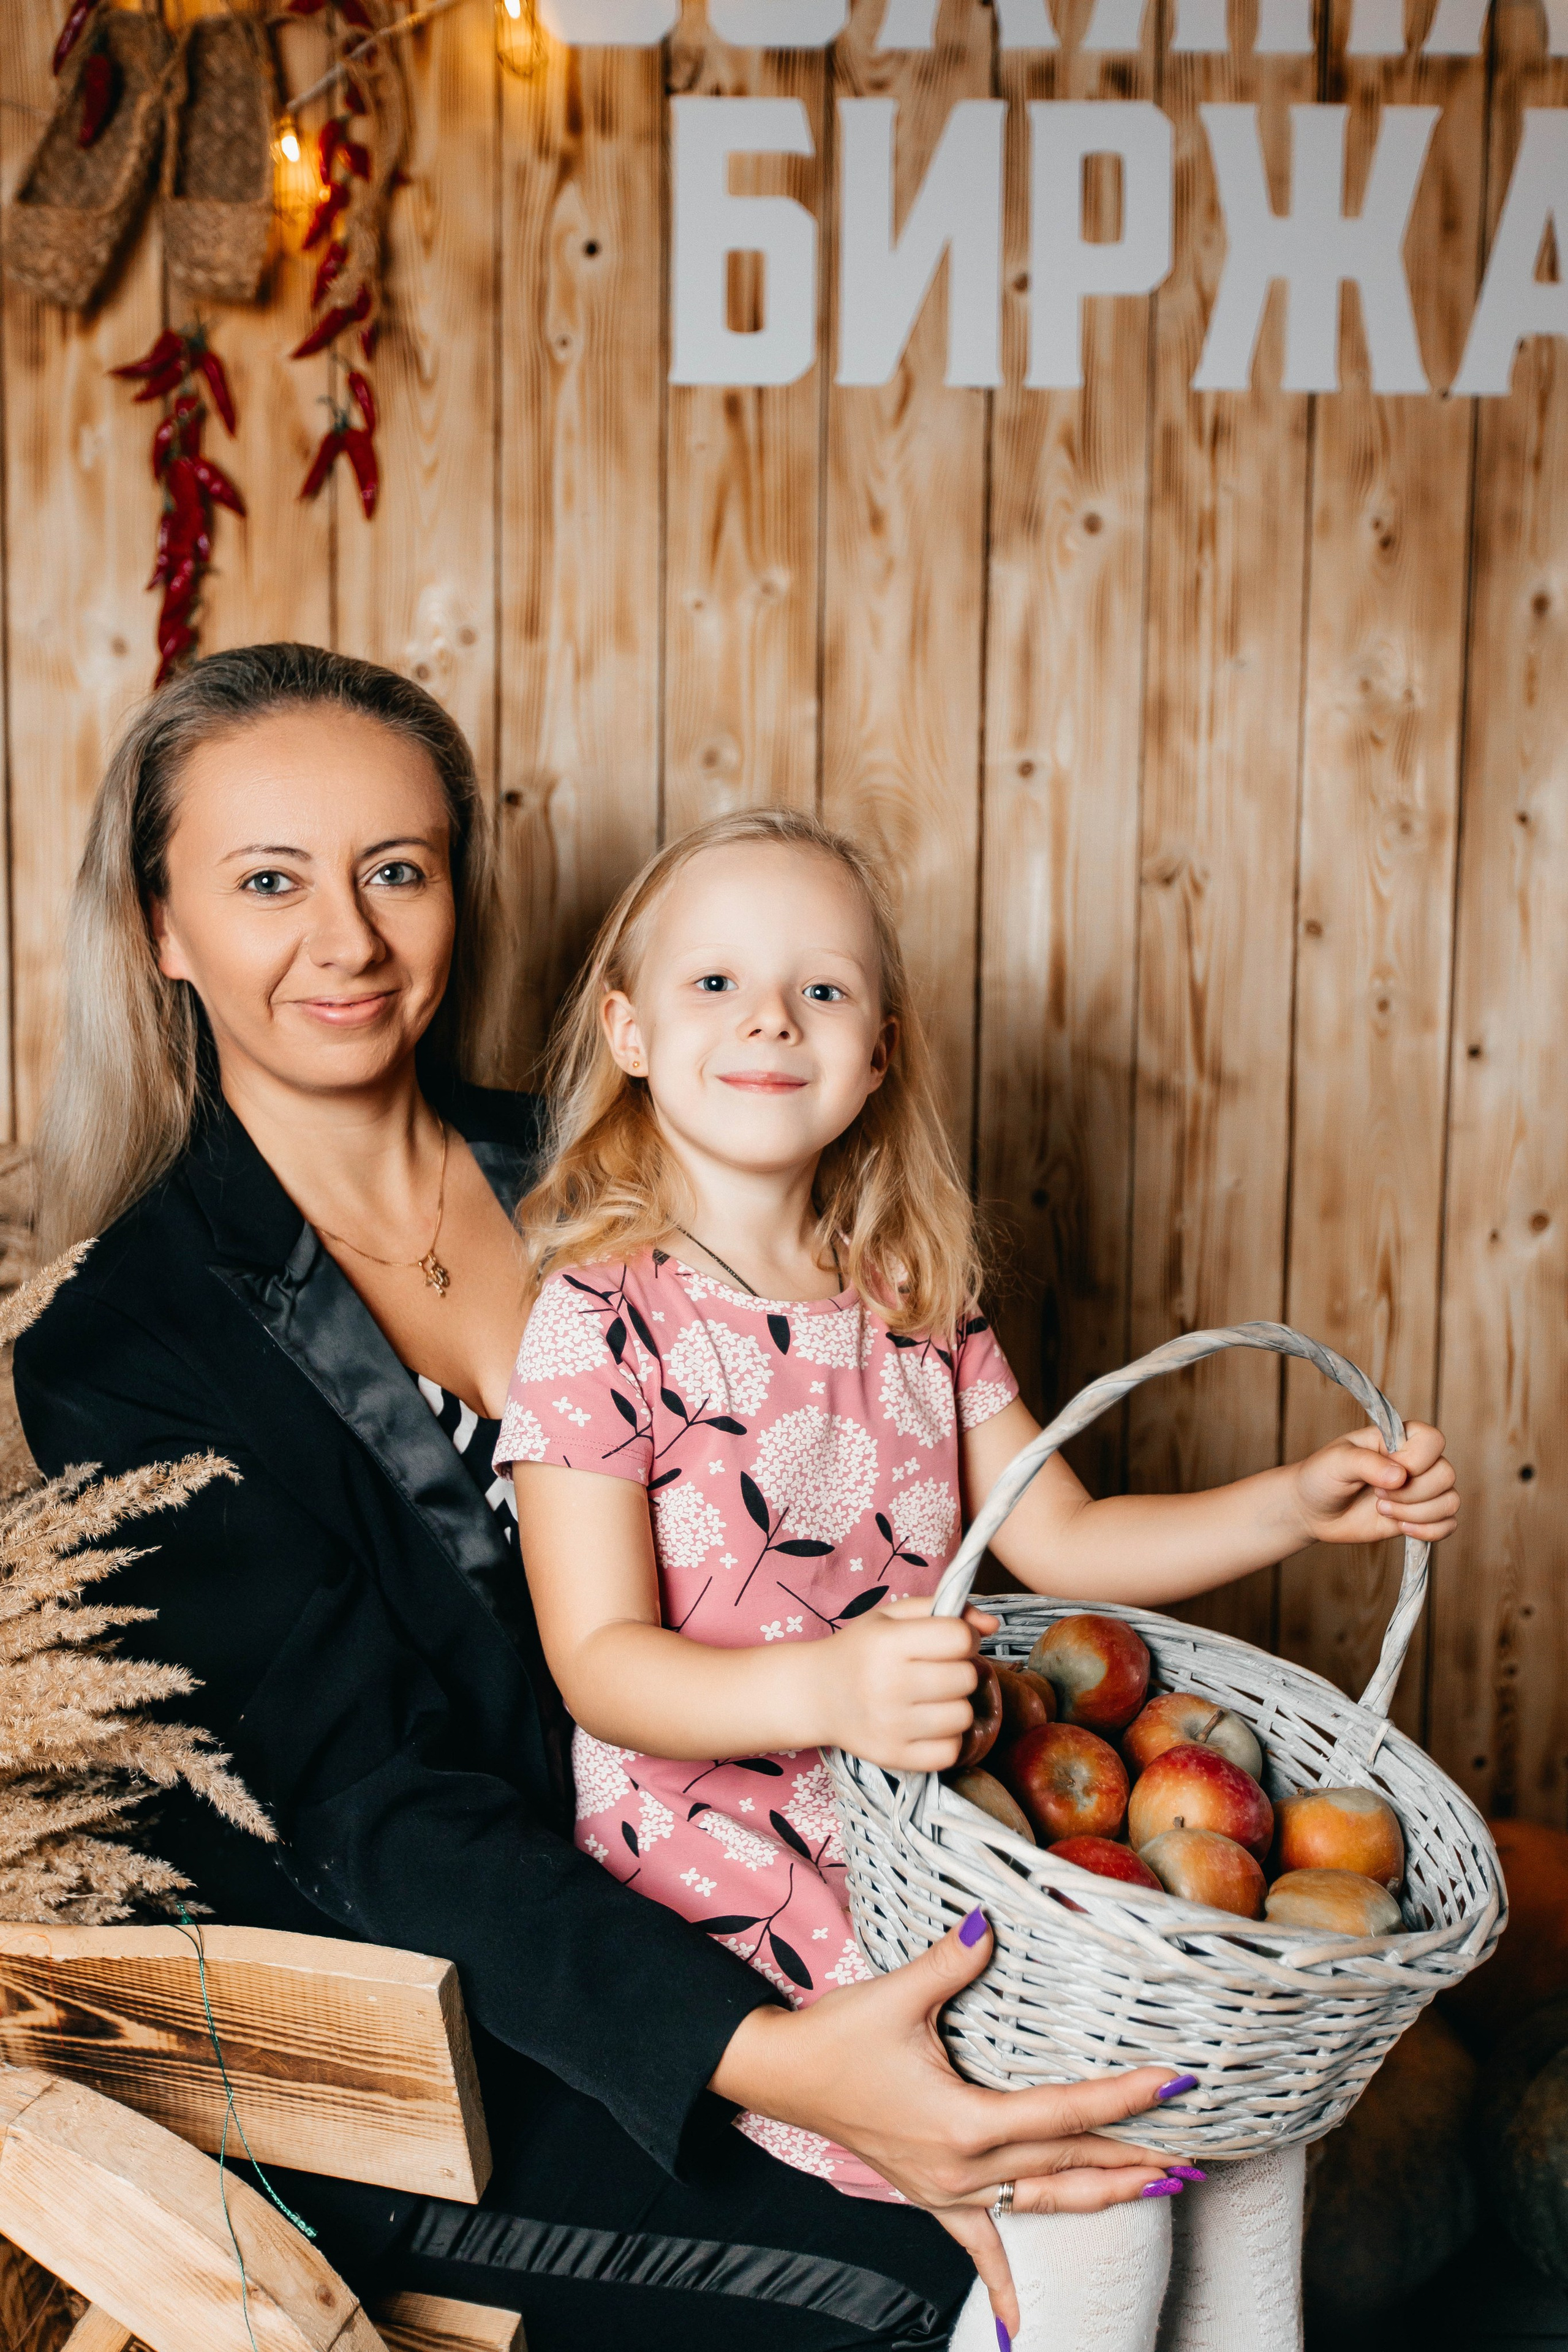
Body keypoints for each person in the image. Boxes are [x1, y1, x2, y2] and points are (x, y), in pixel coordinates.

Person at [15, 644, 1215, 2352]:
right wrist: (788, 2064)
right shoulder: (122, 1344)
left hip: (801, 1888)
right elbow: (372, 1818)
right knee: (936, 2286)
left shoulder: (629, 1161)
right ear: (160, 927)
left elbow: (905, 1492)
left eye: (398, 872)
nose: (346, 940)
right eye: (268, 880)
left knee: (1148, 2162)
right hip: (476, 2035)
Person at [499, 809, 1461, 2335]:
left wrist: (1289, 1502)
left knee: (1241, 2123)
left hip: (947, 1822)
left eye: (822, 990)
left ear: (878, 1051)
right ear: (623, 1028)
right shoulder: (596, 1323)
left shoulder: (911, 1303)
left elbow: (1066, 1541)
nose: (768, 1018)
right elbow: (598, 1660)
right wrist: (826, 1685)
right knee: (1085, 2188)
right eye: (714, 985)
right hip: (736, 1856)